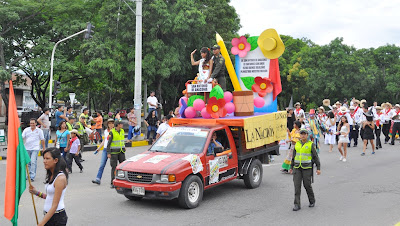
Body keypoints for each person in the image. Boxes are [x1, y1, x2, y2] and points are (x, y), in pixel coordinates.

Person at [29, 148, 68, 226]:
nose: (44, 161)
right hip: (49, 216)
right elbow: (50, 196)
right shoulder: (52, 175)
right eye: (44, 158)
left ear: (55, 160)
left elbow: (55, 205)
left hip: (57, 217)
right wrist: (36, 192)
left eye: (47, 158)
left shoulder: (60, 178)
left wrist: (41, 224)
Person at [289, 129, 321, 211]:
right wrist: (291, 167)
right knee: (297, 186)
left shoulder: (311, 144)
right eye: (301, 134)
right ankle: (297, 204)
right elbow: (293, 157)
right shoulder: (297, 144)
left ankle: (312, 200)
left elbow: (315, 157)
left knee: (307, 185)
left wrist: (318, 168)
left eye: (304, 134)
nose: (303, 135)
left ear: (307, 135)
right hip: (297, 168)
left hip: (307, 168)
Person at [92, 119, 114, 185]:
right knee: (102, 165)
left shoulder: (115, 131)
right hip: (105, 149)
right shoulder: (106, 131)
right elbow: (104, 141)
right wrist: (98, 148)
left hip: (112, 150)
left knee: (113, 166)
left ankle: (114, 180)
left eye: (112, 123)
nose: (111, 125)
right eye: (109, 123)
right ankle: (98, 179)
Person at [107, 120, 126, 188]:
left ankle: (123, 181)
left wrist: (124, 147)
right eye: (121, 124)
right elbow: (109, 143)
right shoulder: (112, 132)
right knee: (114, 167)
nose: (122, 125)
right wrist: (108, 153)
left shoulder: (122, 131)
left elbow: (122, 140)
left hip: (121, 151)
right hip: (114, 152)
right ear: (118, 125)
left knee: (123, 167)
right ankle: (113, 182)